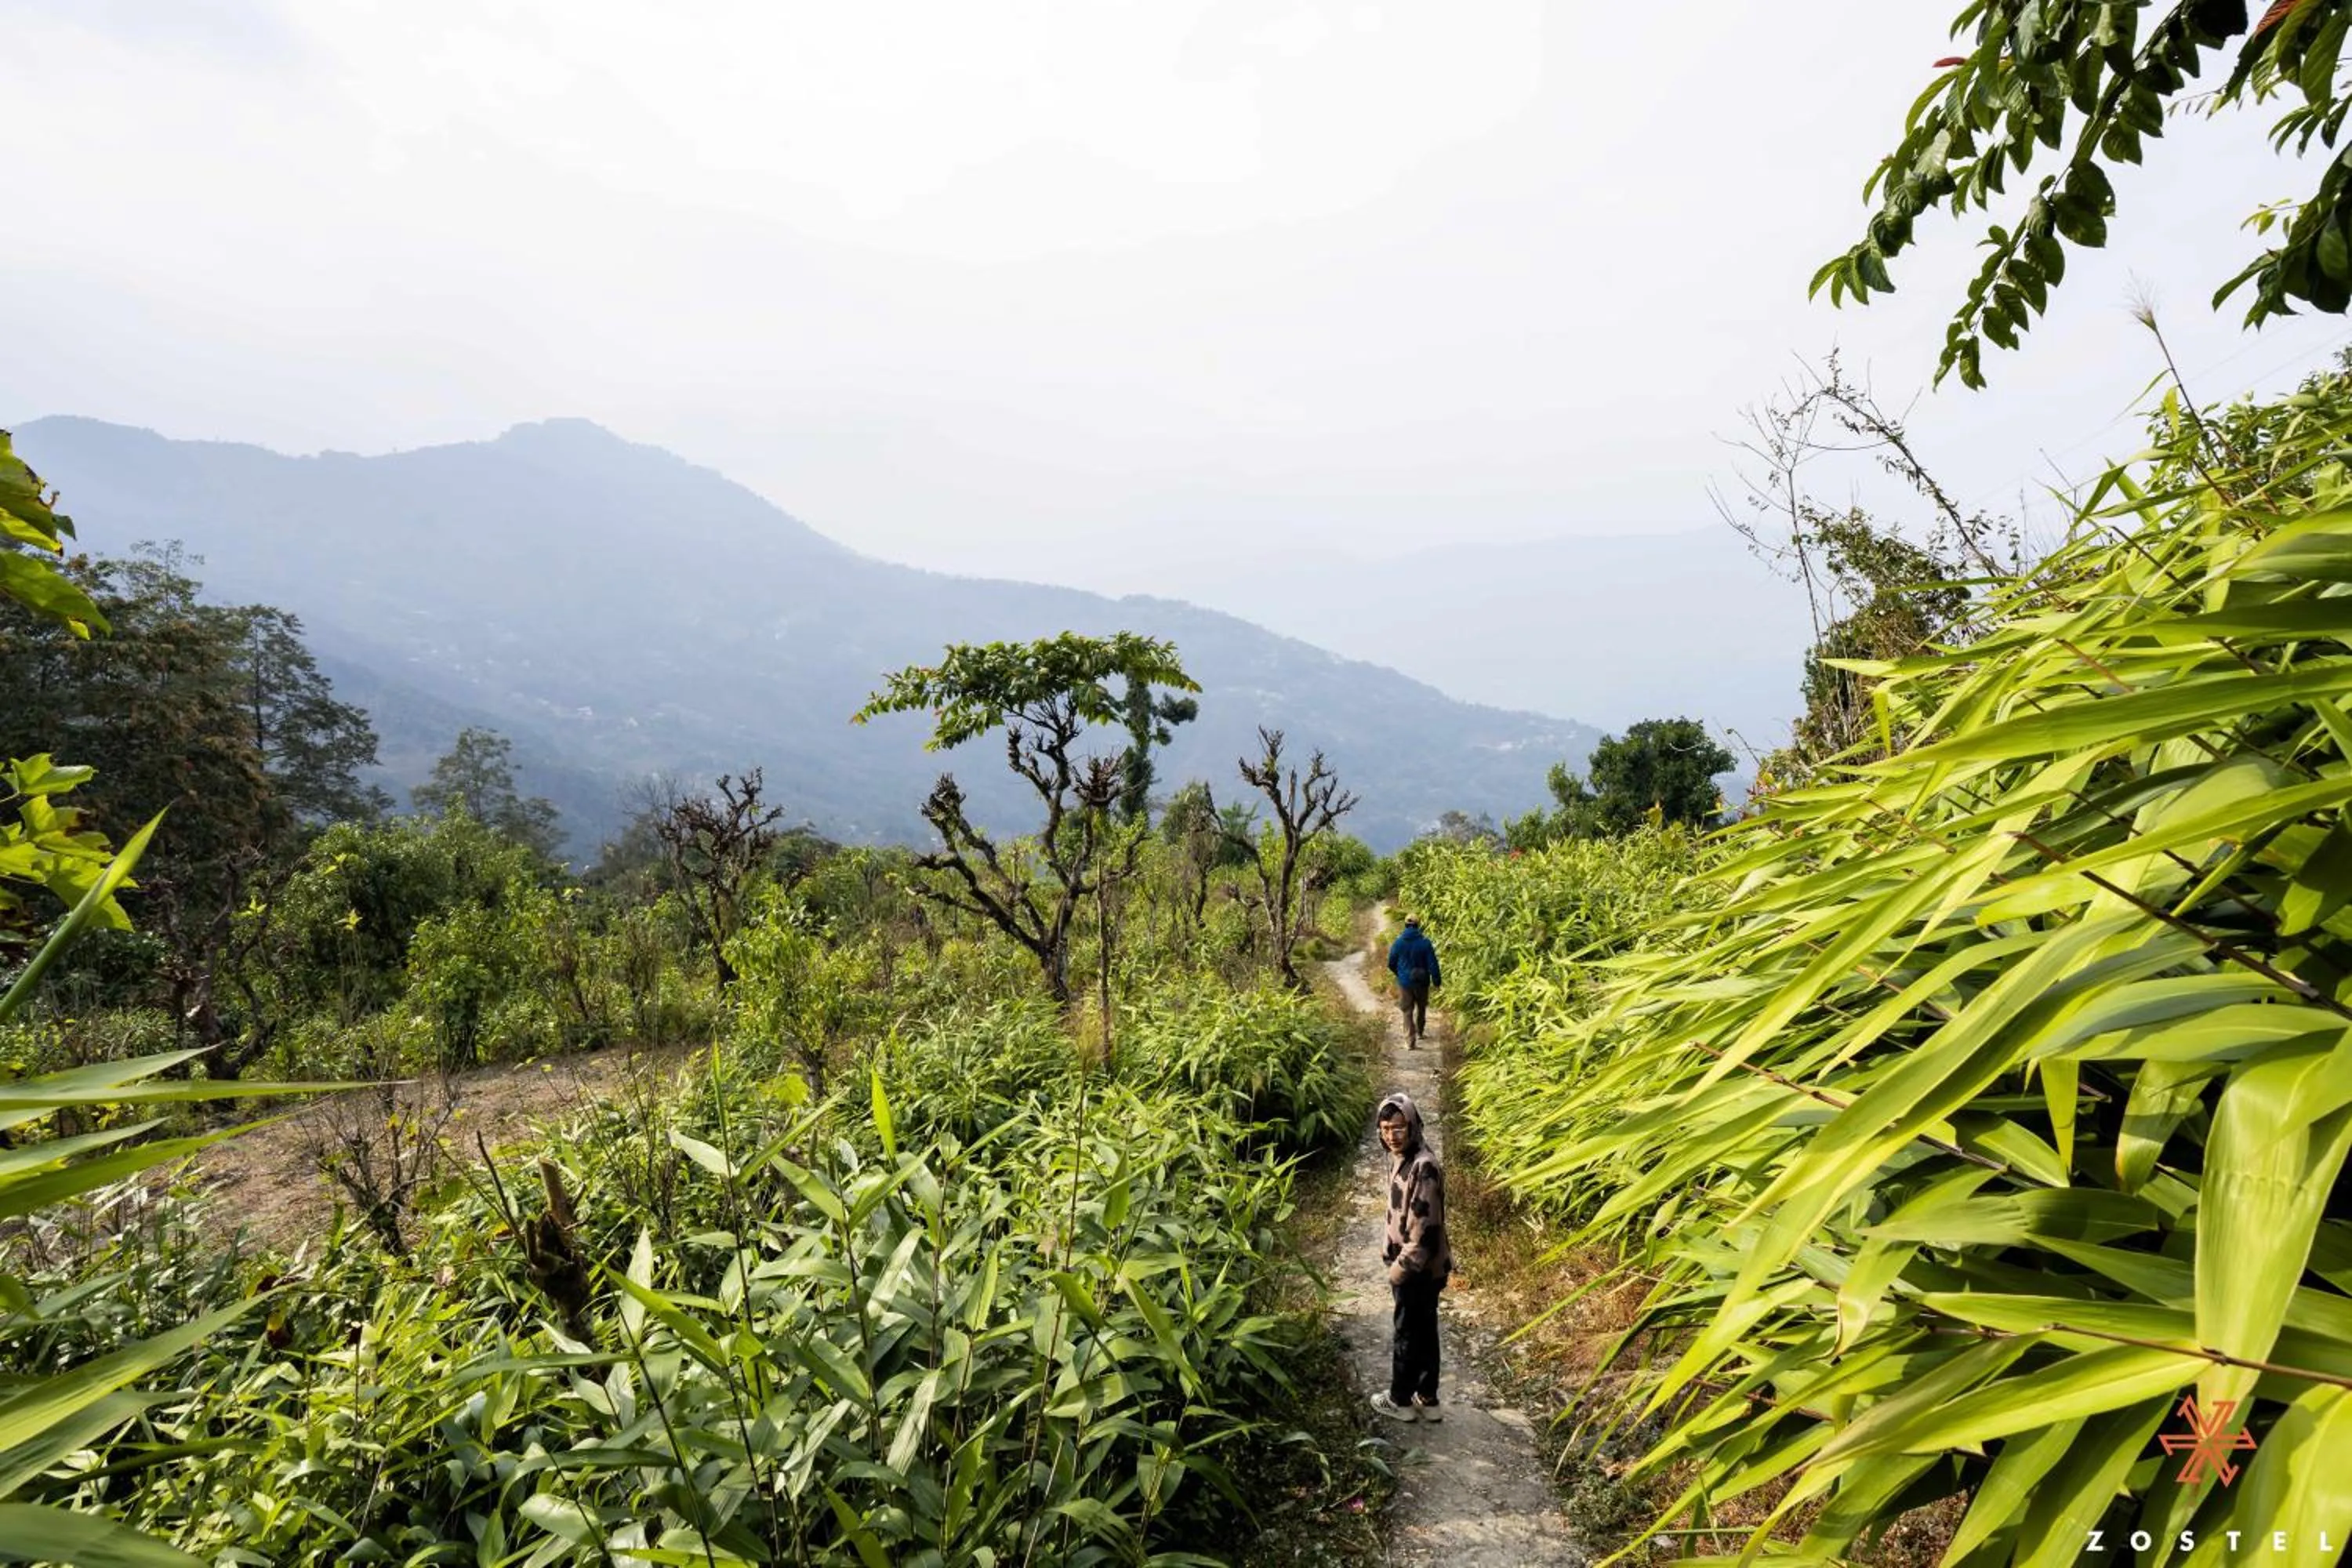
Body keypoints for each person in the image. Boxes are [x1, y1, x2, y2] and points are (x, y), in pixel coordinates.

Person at [1372, 1091, 1450, 1422]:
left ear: (1414, 1126)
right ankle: (1428, 1397)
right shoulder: (1404, 1158)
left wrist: (1398, 1271)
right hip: (1417, 1267)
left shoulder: (1424, 1167)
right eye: (1386, 1128)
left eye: (1400, 1128)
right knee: (1424, 1329)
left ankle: (1400, 1400)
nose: (1392, 1135)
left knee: (1408, 1332)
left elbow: (1424, 1230)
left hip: (1416, 1269)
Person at [1385, 915, 1442, 1048]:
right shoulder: (1425, 942)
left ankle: (1410, 1042)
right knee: (1421, 1007)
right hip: (1422, 981)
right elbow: (1433, 964)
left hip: (1405, 982)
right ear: (1418, 926)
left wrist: (1399, 974)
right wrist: (1437, 981)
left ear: (1405, 925)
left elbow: (1391, 963)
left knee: (1407, 1010)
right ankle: (1420, 1032)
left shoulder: (1399, 942)